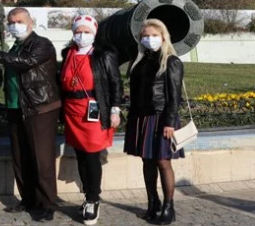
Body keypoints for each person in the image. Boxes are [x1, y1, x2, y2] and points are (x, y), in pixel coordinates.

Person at [0, 7, 61, 222]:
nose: (15, 25)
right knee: (20, 158)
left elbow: (27, 63)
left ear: (30, 22)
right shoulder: (15, 46)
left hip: (39, 108)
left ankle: (47, 204)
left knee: (41, 160)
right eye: (11, 22)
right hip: (15, 108)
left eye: (19, 21)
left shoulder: (41, 44)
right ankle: (28, 200)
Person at [59, 15, 123, 225]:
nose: (82, 35)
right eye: (79, 31)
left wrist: (115, 109)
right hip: (72, 110)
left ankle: (93, 199)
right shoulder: (68, 53)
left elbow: (115, 82)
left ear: (94, 33)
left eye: (87, 31)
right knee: (80, 155)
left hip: (94, 111)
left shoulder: (104, 54)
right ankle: (87, 195)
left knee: (92, 156)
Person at [124, 19, 185, 225]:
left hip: (161, 117)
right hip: (141, 116)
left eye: (153, 36)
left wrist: (169, 122)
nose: (148, 39)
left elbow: (174, 96)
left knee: (162, 161)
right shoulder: (139, 60)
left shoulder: (171, 61)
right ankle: (153, 203)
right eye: (145, 36)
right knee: (146, 160)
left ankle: (169, 207)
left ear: (163, 37)